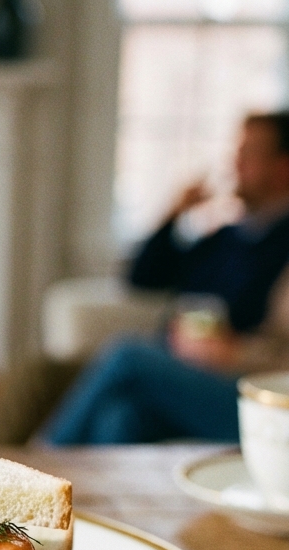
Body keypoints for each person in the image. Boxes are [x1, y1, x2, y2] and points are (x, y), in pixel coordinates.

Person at [45, 112, 289, 445]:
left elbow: (280, 351)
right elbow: (141, 278)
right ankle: (77, 496)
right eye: (237, 152)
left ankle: (33, 469)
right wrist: (175, 213)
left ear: (283, 166)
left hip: (243, 392)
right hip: (183, 375)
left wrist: (234, 353)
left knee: (126, 355)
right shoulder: (225, 238)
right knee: (120, 418)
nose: (236, 163)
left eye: (250, 153)